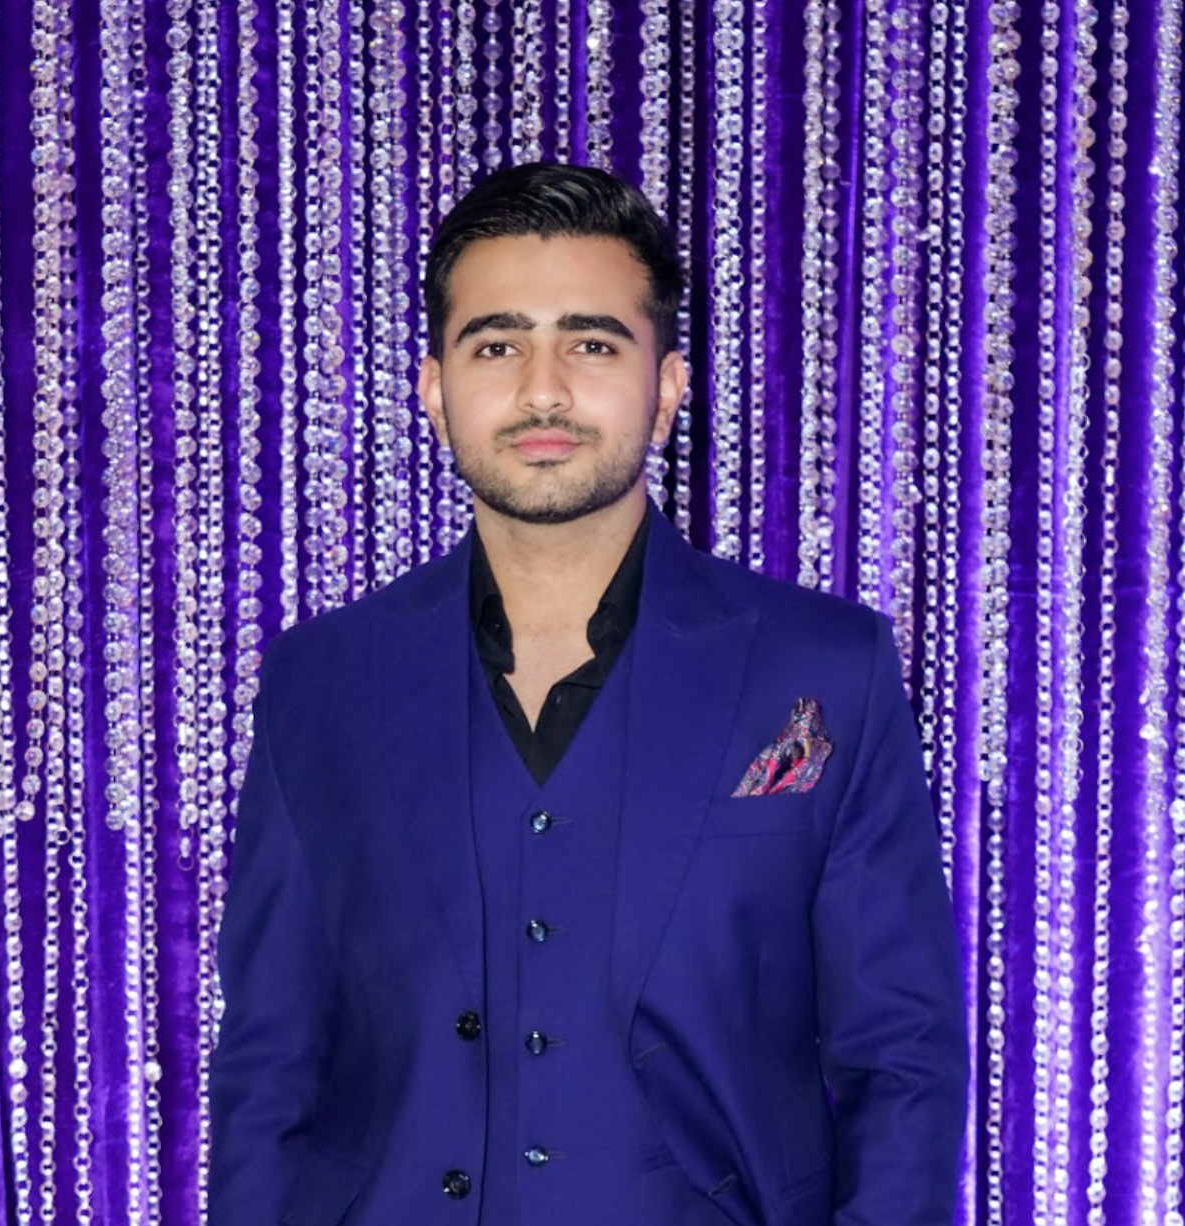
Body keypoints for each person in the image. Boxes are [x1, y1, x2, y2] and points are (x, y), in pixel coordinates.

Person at [208, 162, 967, 1226]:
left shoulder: (822, 669)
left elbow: (903, 1057)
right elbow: (269, 1059)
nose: (542, 389)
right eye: (497, 343)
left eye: (592, 342)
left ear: (667, 386)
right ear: (433, 388)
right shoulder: (319, 680)